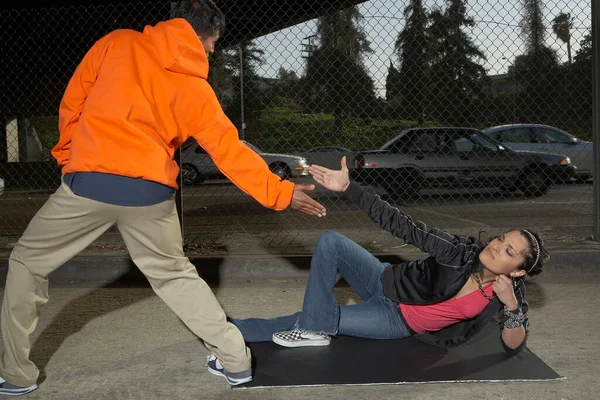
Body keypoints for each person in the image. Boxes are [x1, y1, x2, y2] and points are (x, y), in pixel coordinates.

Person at [0, 0, 327, 395]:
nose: (211, 51)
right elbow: (229, 151)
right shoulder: (196, 88)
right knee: (175, 276)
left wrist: (71, 159)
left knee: (27, 263)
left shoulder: (117, 43)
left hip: (89, 183)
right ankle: (236, 361)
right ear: (205, 34)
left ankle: (16, 375)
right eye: (214, 43)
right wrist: (280, 192)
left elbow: (73, 104)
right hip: (150, 195)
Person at [231, 157, 548, 355]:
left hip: (397, 319)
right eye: (501, 238)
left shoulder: (510, 293)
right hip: (385, 281)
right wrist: (350, 189)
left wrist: (510, 306)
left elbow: (513, 344)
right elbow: (404, 226)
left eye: (508, 250)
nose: (495, 246)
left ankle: (234, 330)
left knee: (313, 318)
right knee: (331, 241)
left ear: (518, 271)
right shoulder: (459, 252)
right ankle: (315, 328)